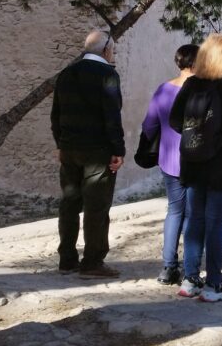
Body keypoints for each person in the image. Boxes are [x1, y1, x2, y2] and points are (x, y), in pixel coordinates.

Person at [169, 33, 222, 301]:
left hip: (194, 163)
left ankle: (190, 278)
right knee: (216, 224)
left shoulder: (192, 83)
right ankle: (214, 283)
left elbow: (175, 120)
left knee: (194, 220)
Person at [51, 29, 125, 279]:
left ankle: (67, 259)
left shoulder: (66, 74)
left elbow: (56, 115)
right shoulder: (108, 74)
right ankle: (92, 261)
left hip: (70, 149)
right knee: (96, 207)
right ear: (106, 50)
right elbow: (112, 116)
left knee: (69, 203)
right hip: (97, 151)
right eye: (112, 49)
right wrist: (118, 150)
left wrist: (60, 144)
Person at [140, 43, 199, 285]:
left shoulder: (164, 90)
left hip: (169, 159)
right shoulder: (201, 92)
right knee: (193, 214)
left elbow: (148, 125)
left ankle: (168, 267)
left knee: (174, 211)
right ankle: (190, 268)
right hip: (196, 160)